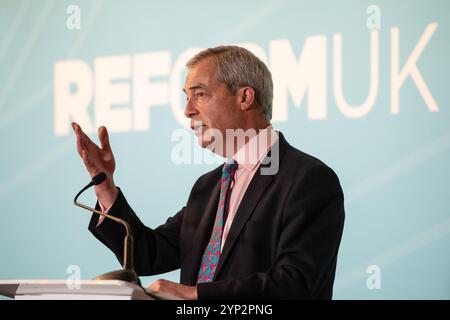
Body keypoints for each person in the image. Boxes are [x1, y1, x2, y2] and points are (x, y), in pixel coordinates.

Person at [72, 45, 345, 300]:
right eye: (187, 98)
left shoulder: (308, 180)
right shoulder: (208, 187)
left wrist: (195, 296)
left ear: (245, 97)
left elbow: (296, 283)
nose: (188, 110)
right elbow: (148, 254)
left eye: (200, 94)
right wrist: (105, 185)